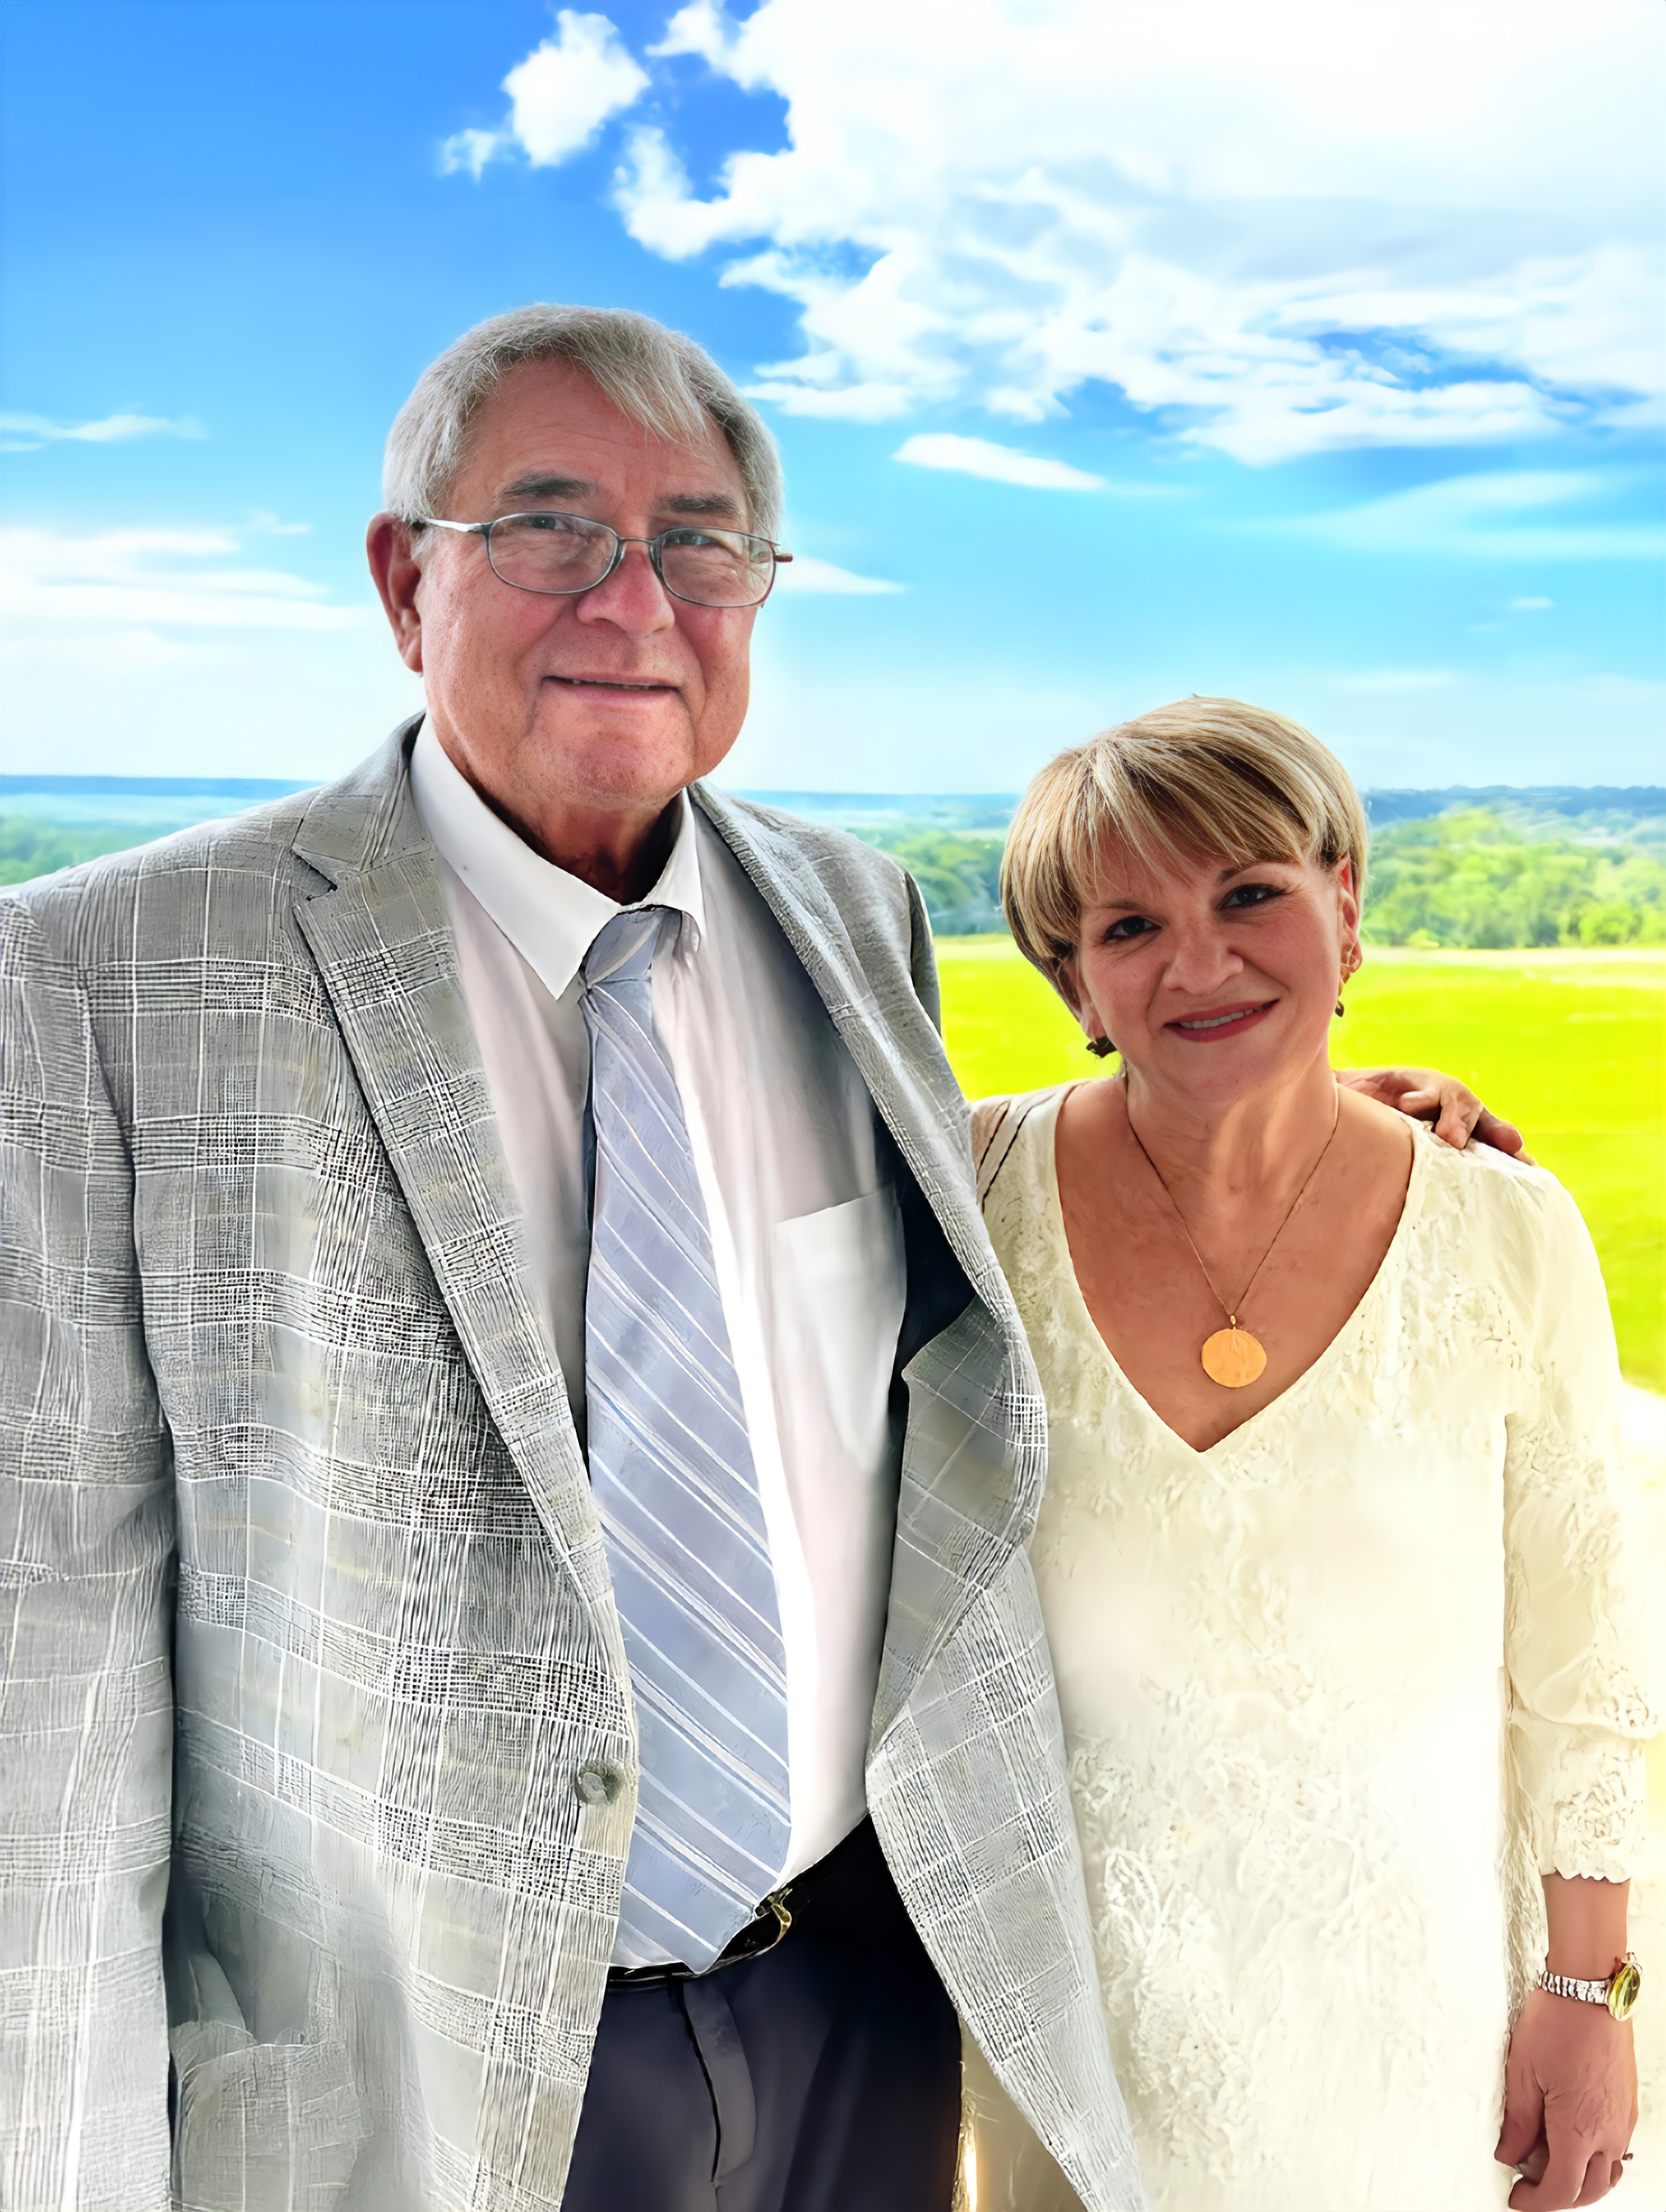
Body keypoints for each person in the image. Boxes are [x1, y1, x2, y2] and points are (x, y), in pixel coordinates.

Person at [1, 308, 1509, 2212]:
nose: (634, 600)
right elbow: (45, 1671)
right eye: (549, 526)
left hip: (857, 1996)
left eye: (699, 545)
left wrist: (1271, 1104)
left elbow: (930, 1227)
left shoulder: (849, 910)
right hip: (422, 2072)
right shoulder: (100, 981)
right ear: (404, 580)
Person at [965, 697, 1658, 2212]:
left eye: (1249, 895)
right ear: (1074, 981)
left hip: (1414, 2047)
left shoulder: (1505, 1229)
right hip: (1075, 2042)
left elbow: (1584, 1664)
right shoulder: (963, 1201)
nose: (1199, 962)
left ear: (1344, 907)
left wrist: (1588, 1992)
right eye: (1130, 926)